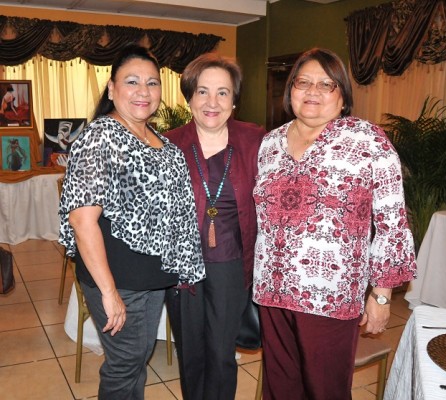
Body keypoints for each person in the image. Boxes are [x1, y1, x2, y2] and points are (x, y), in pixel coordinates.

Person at [253, 47, 417, 400]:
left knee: (325, 389)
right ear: (290, 91)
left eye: (326, 85)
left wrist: (382, 295)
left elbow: (393, 222)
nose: (312, 92)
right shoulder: (269, 144)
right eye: (303, 82)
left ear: (342, 97)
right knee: (280, 387)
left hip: (330, 296)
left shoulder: (368, 140)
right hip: (272, 290)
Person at [58, 44, 205, 400]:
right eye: (132, 81)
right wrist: (108, 293)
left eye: (152, 83)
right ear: (112, 89)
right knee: (125, 364)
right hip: (118, 279)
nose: (144, 91)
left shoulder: (161, 142)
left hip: (151, 277)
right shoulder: (101, 136)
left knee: (137, 358)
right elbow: (82, 219)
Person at [164, 53, 266, 400]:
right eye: (203, 91)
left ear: (234, 100)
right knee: (190, 352)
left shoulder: (256, 141)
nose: (212, 102)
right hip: (183, 267)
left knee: (222, 354)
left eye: (223, 93)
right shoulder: (167, 144)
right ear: (189, 96)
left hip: (232, 264)